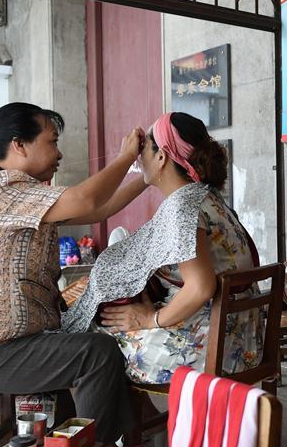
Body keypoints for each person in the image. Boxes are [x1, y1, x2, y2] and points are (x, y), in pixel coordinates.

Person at [0, 102, 148, 443]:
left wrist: (147, 177)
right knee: (96, 353)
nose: (59, 153)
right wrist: (125, 158)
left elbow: (100, 208)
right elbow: (87, 200)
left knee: (87, 352)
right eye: (52, 141)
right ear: (19, 145)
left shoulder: (27, 194)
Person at [62, 112, 262, 385]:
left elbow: (200, 287)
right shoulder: (206, 196)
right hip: (244, 334)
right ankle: (142, 423)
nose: (138, 155)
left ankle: (127, 425)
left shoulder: (182, 207)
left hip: (212, 344)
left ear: (162, 157)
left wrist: (150, 319)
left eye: (144, 148)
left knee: (96, 343)